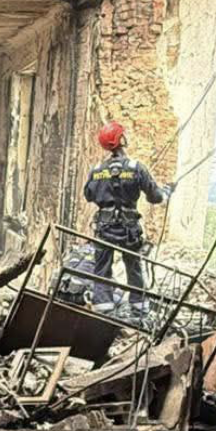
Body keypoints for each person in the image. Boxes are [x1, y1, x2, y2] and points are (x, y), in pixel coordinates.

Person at [83, 120, 173, 317]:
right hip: (128, 229)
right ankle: (139, 306)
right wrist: (166, 193)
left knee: (102, 267)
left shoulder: (96, 170)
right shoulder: (136, 168)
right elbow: (155, 197)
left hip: (104, 227)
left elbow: (88, 195)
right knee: (133, 265)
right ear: (121, 139)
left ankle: (103, 305)